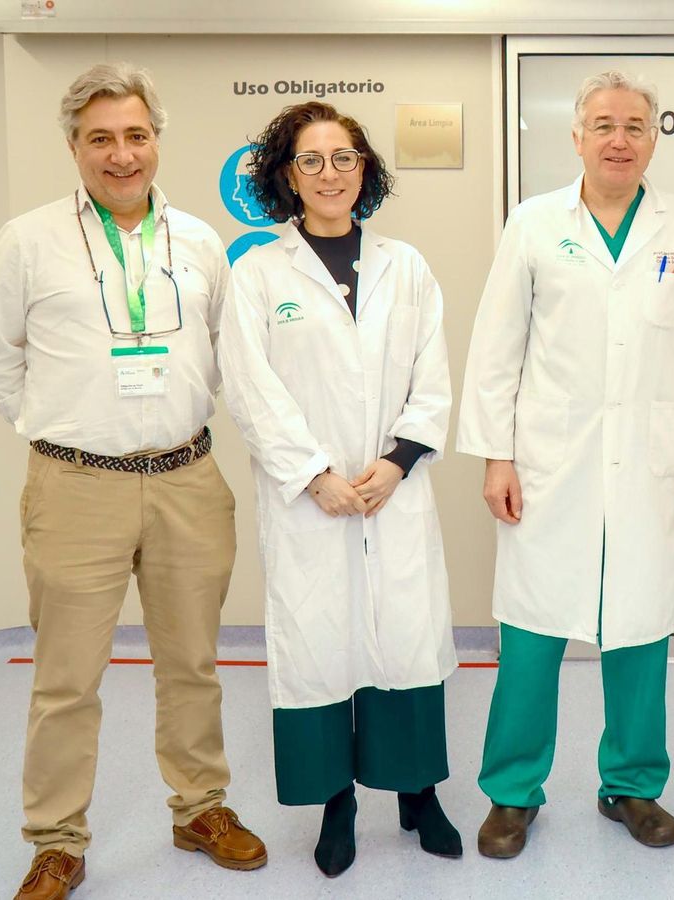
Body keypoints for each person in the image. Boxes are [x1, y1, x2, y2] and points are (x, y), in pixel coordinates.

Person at [0, 62, 267, 900]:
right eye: (100, 138)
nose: (121, 154)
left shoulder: (199, 242)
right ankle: (56, 841)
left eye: (136, 135)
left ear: (156, 140)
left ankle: (200, 808)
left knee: (192, 663)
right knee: (66, 680)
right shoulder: (27, 240)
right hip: (76, 487)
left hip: (187, 479)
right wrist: (67, 429)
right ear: (74, 146)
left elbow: (229, 356)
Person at [457, 70, 674, 858]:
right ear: (577, 137)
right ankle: (512, 791)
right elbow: (497, 348)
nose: (620, 139)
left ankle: (632, 784)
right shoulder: (534, 223)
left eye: (635, 126)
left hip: (648, 465)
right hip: (550, 464)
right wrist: (497, 456)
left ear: (653, 140)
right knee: (532, 636)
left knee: (640, 634)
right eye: (605, 125)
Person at [218, 101, 461, 877]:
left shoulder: (406, 266)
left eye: (345, 158)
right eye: (312, 160)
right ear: (287, 176)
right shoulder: (259, 274)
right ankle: (336, 804)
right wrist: (311, 473)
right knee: (319, 643)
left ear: (365, 169)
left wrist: (398, 461)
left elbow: (433, 373)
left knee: (404, 636)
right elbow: (249, 388)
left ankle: (419, 795)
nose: (330, 174)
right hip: (311, 500)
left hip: (393, 490)